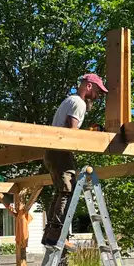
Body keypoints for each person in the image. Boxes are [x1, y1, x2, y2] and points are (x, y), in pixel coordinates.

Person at [41, 73, 108, 248]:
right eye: (97, 91)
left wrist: (89, 132)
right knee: (66, 191)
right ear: (88, 86)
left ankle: (49, 234)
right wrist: (91, 136)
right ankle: (55, 235)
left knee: (60, 192)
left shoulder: (71, 101)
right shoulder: (78, 103)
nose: (98, 96)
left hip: (53, 151)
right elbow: (71, 133)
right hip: (60, 151)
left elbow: (70, 129)